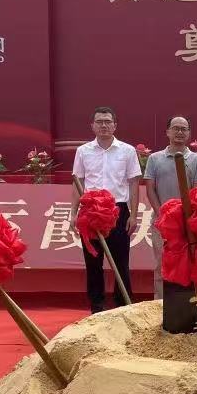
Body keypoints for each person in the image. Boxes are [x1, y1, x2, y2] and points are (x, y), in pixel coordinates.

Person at [72, 106, 141, 313]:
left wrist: (134, 215)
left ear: (115, 125)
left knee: (121, 261)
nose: (104, 125)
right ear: (92, 126)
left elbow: (134, 184)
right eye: (100, 122)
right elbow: (77, 182)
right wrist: (73, 213)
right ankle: (97, 307)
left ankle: (123, 306)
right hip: (90, 211)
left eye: (108, 122)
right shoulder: (83, 151)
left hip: (117, 210)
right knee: (93, 261)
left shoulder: (127, 150)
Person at [144, 116, 197, 299]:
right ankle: (160, 303)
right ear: (168, 132)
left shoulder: (196, 160)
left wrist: (188, 217)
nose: (179, 132)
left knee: (188, 263)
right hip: (161, 222)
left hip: (187, 223)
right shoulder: (155, 159)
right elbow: (150, 189)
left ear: (189, 133)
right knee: (161, 264)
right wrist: (162, 215)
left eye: (184, 129)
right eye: (176, 128)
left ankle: (185, 303)